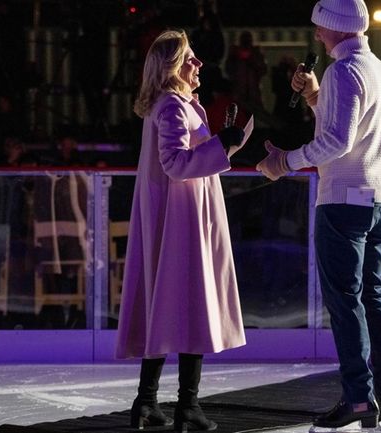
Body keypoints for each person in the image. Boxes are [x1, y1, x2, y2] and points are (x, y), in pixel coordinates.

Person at [257, 0, 381, 428]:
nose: (317, 37)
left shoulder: (342, 70)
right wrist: (313, 97)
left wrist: (284, 161)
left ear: (335, 27)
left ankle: (360, 399)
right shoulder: (380, 69)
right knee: (372, 295)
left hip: (346, 198)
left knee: (345, 302)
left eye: (320, 29)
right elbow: (350, 126)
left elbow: (338, 142)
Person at [114, 30, 247, 431]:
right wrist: (221, 144)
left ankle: (149, 402)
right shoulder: (172, 106)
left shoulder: (177, 104)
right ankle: (185, 406)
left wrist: (221, 145)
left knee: (170, 304)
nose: (199, 63)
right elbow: (174, 163)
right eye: (191, 57)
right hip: (181, 219)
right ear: (173, 66)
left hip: (182, 214)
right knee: (191, 302)